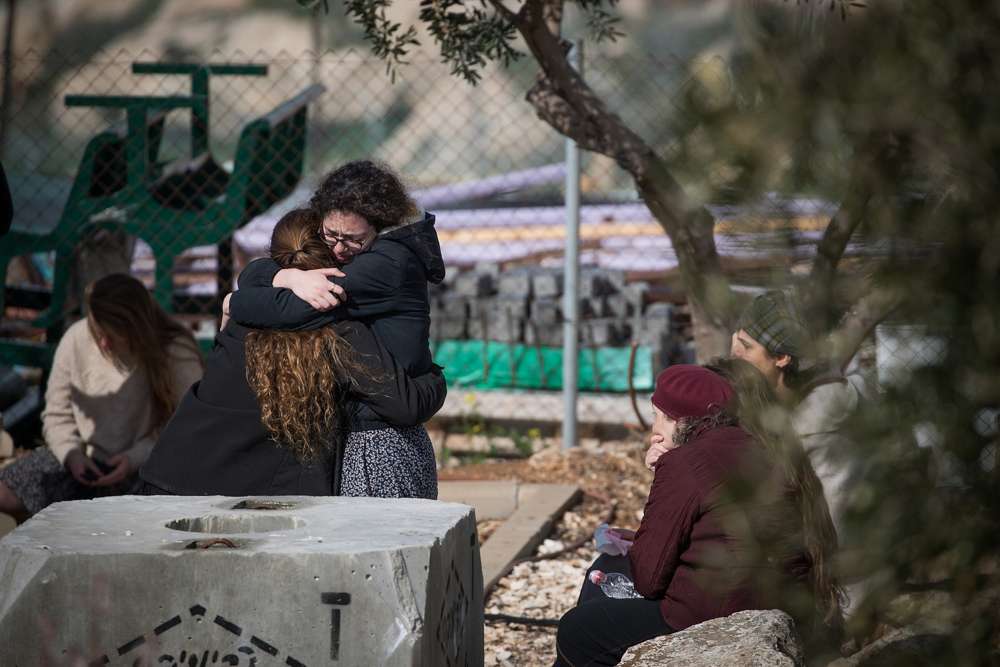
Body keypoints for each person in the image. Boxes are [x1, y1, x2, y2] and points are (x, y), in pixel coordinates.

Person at [137, 208, 446, 498]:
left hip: (174, 476)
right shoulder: (341, 332)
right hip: (268, 502)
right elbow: (406, 405)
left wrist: (249, 292)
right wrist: (433, 375)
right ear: (335, 268)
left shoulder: (241, 317)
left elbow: (253, 277)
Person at [555, 360, 843, 666]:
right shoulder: (767, 449)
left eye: (658, 417)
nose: (655, 432)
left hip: (718, 618)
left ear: (677, 419)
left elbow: (648, 579)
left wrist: (664, 477)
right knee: (606, 587)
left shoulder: (687, 461)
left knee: (579, 628)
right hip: (787, 609)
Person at [224, 160, 446, 498]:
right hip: (371, 428)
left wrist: (232, 303)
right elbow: (265, 268)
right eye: (331, 235)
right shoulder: (364, 252)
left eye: (353, 240)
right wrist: (289, 276)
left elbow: (295, 310)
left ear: (380, 224)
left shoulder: (386, 263)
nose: (339, 250)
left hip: (379, 442)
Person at [0, 274, 203, 520]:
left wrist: (133, 458)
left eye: (114, 335)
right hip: (84, 461)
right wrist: (71, 454)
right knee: (6, 492)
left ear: (136, 327)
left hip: (146, 467)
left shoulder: (174, 350)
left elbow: (186, 427)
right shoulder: (76, 337)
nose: (104, 344)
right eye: (98, 332)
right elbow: (57, 413)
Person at [729, 290, 865, 534]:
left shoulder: (813, 429)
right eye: (736, 340)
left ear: (782, 357)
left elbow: (830, 536)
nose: (734, 354)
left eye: (746, 347)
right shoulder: (828, 387)